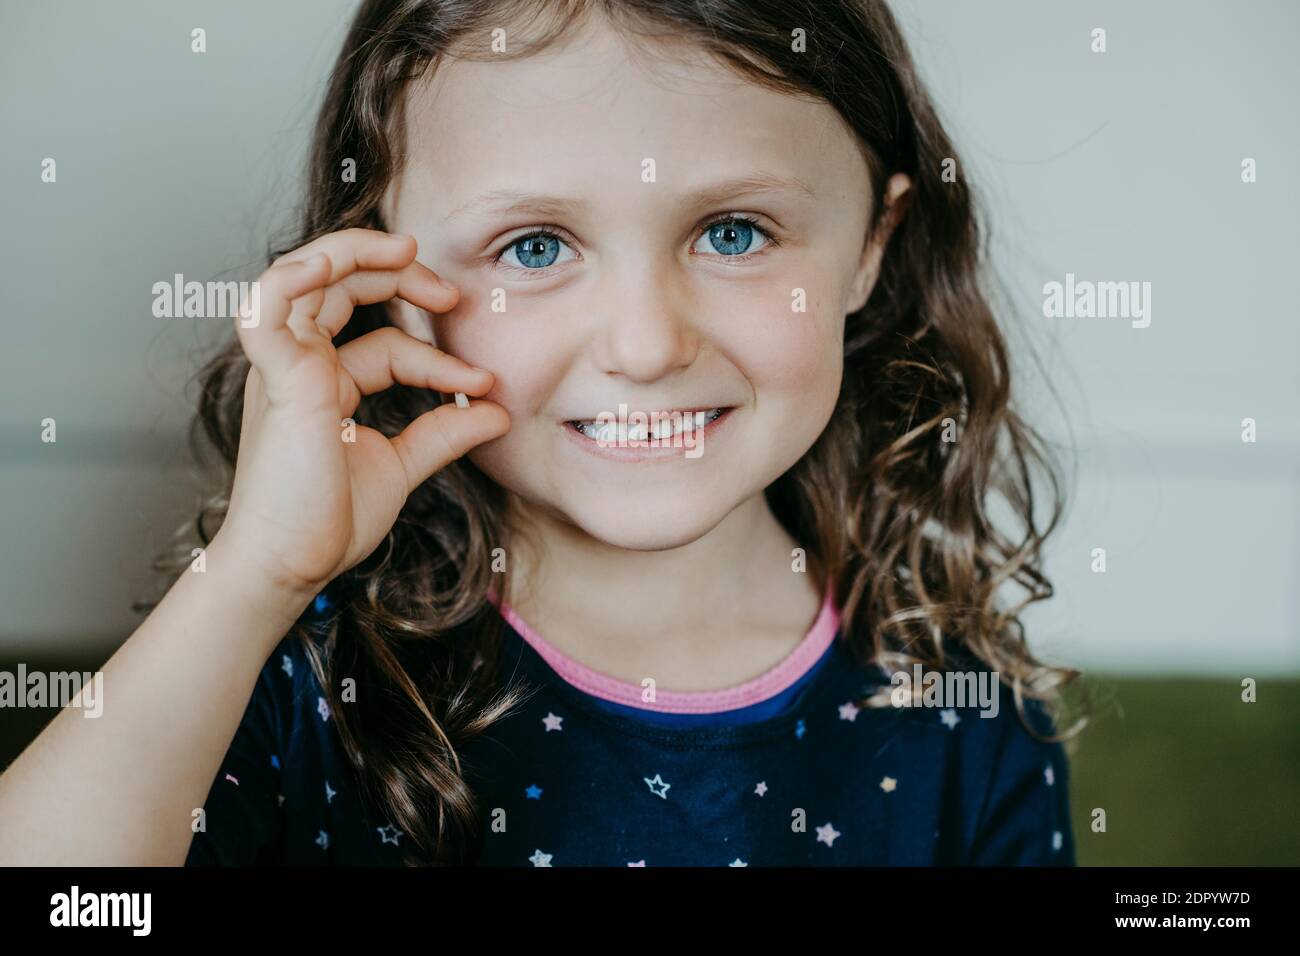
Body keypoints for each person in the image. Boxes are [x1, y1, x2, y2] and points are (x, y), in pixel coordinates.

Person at [0, 0, 1079, 866]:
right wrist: (254, 575)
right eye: (531, 247)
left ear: (870, 246)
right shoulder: (300, 677)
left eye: (734, 231)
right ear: (388, 274)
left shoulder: (965, 725)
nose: (647, 343)